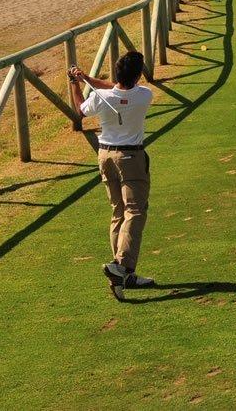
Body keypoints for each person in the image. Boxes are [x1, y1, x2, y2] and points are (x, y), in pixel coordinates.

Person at [69, 51, 156, 301]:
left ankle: (124, 277)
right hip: (131, 159)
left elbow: (81, 109)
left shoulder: (102, 97)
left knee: (119, 211)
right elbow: (121, 90)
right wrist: (87, 78)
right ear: (138, 75)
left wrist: (78, 82)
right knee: (135, 211)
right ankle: (122, 266)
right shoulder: (144, 95)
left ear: (117, 73)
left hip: (105, 156)